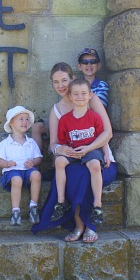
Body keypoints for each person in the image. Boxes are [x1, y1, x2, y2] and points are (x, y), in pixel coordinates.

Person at [31, 62, 117, 243]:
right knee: (73, 173)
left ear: (72, 79)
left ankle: (89, 226)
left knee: (85, 174)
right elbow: (52, 145)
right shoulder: (56, 111)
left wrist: (90, 148)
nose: (60, 85)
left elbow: (107, 132)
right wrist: (59, 149)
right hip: (73, 158)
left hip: (98, 157)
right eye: (56, 82)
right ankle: (78, 224)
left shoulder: (89, 98)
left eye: (64, 80)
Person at [52, 78, 106, 226]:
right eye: (75, 94)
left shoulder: (94, 116)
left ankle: (97, 205)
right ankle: (61, 201)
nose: (80, 97)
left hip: (90, 149)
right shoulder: (65, 120)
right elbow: (61, 141)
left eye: (83, 93)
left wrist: (105, 153)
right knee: (59, 161)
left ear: (90, 95)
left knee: (95, 165)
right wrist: (65, 150)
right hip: (73, 150)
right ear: (70, 96)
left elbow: (103, 136)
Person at [0, 106, 43, 225]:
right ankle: (15, 211)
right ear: (11, 123)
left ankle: (33, 206)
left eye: (27, 119)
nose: (25, 122)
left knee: (36, 174)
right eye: (21, 119)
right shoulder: (5, 143)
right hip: (12, 171)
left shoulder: (31, 142)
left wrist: (33, 162)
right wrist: (6, 163)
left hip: (28, 170)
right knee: (16, 180)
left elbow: (39, 157)